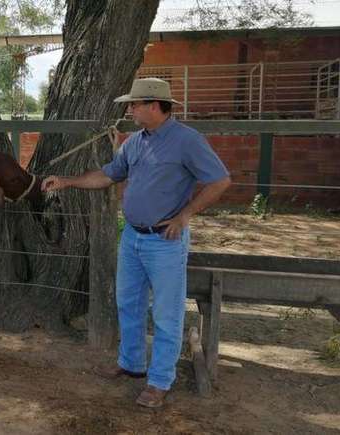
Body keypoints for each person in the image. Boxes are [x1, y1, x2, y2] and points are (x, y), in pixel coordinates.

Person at [42, 77, 231, 408]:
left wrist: (185, 214)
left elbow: (220, 180)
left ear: (154, 106)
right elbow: (109, 175)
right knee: (128, 303)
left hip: (165, 240)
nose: (130, 110)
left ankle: (159, 382)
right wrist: (68, 182)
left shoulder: (187, 141)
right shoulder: (135, 142)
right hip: (132, 237)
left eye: (135, 104)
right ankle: (131, 364)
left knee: (166, 312)